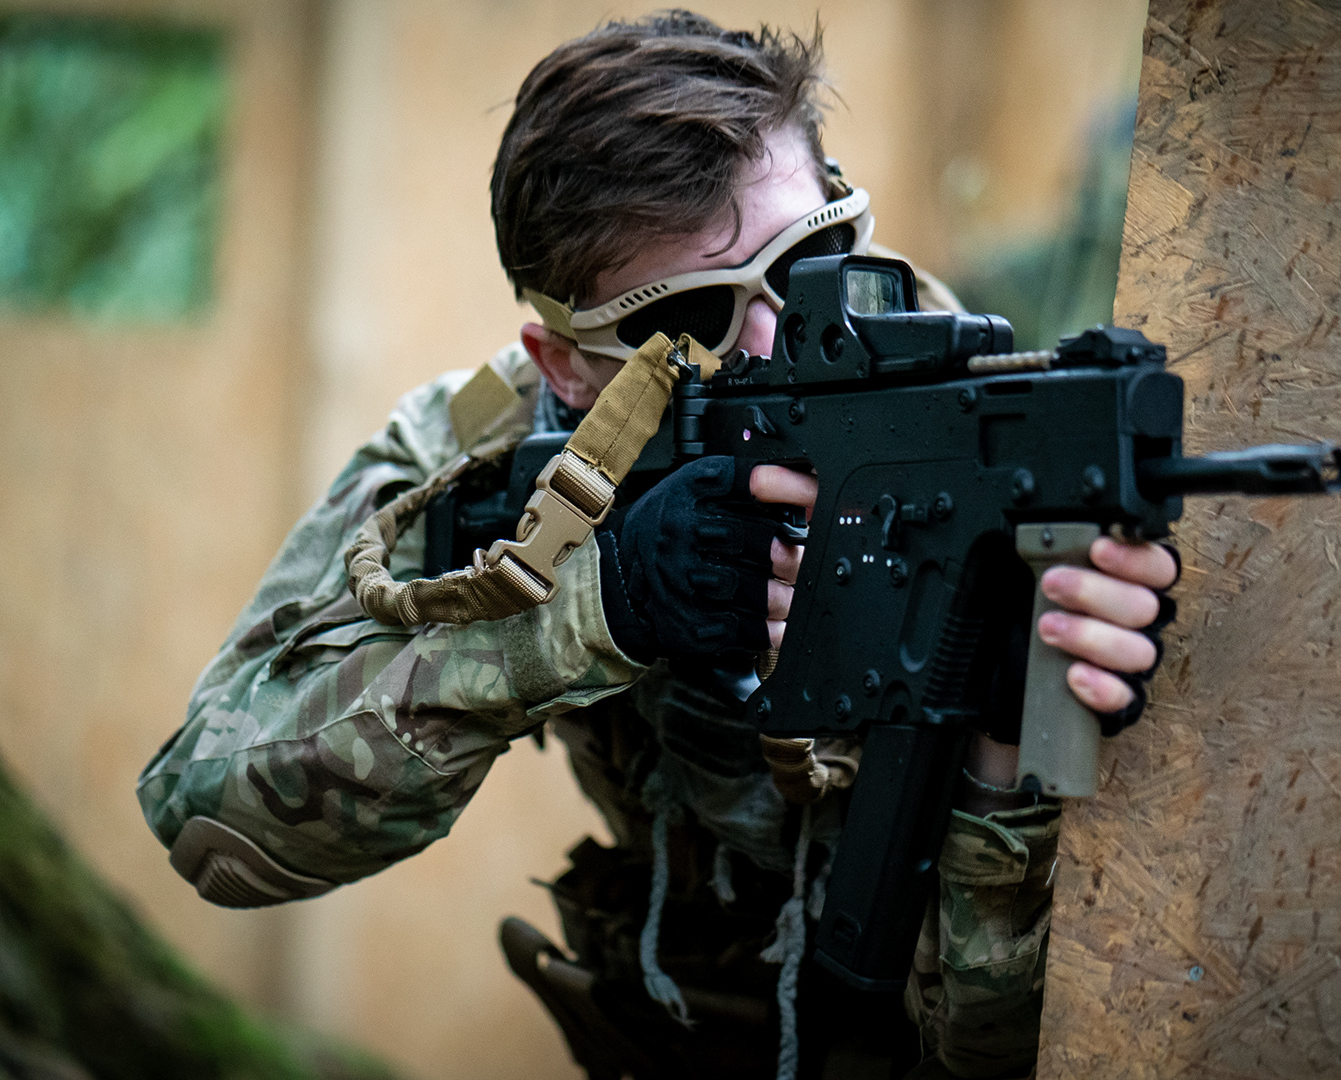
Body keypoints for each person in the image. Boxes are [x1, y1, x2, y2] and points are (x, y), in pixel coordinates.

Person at [139, 12, 1177, 1079]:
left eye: (812, 257)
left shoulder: (986, 423)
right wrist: (600, 605)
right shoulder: (491, 448)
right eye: (692, 318)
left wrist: (1006, 747)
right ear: (565, 363)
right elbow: (209, 817)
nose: (775, 339)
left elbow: (1015, 1040)